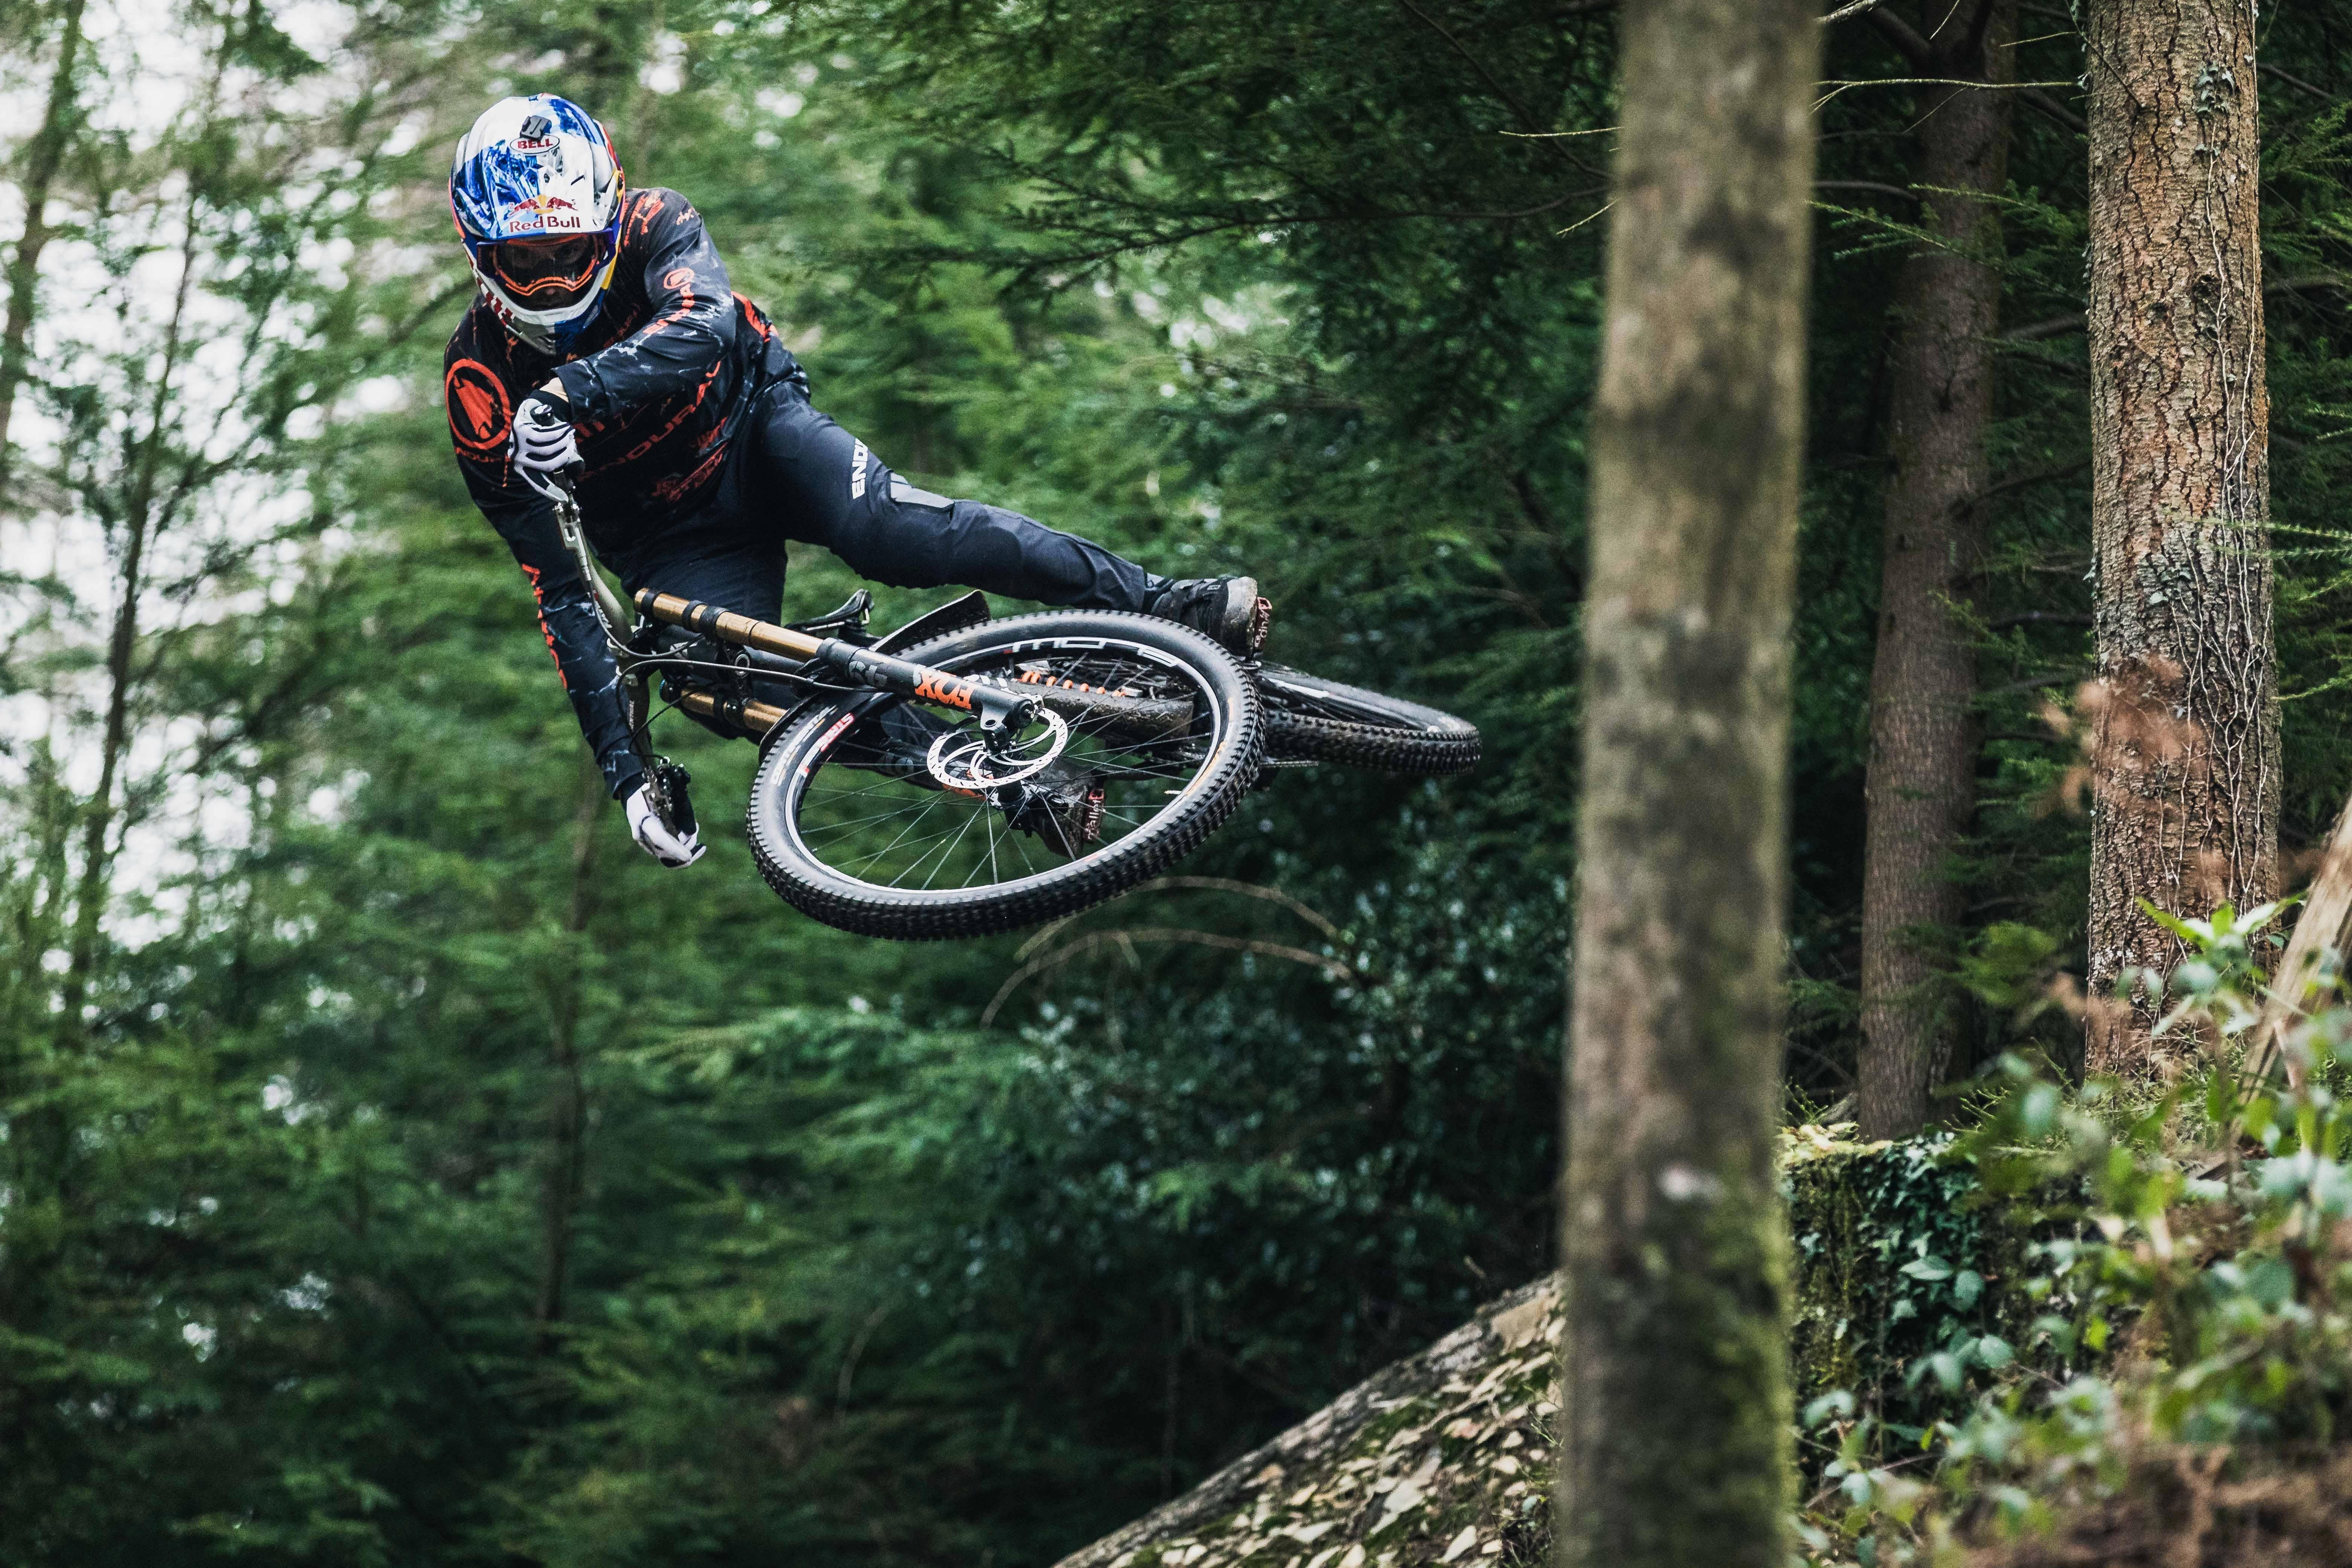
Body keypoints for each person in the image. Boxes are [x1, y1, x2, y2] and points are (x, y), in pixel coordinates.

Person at [442, 94, 1267, 869]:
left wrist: (569, 392)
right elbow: (562, 590)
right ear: (481, 251)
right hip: (670, 536)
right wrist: (629, 782)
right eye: (524, 260)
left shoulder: (656, 220)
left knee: (887, 532)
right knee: (720, 684)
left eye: (570, 252)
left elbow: (705, 323)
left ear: (606, 220)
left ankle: (1167, 604)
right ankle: (1013, 781)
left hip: (756, 427)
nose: (553, 280)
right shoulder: (479, 386)